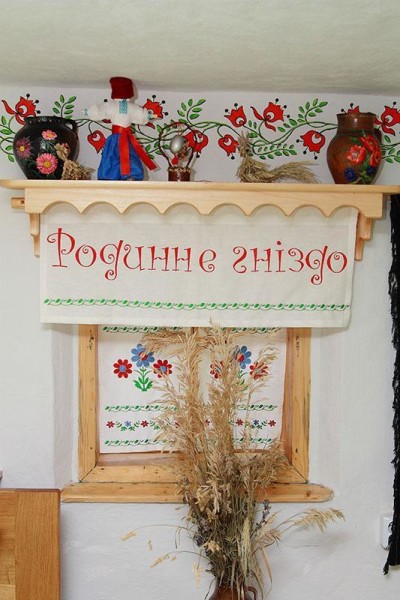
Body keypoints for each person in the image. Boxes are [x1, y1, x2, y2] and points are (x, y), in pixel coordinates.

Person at [86, 77, 158, 180]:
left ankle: (126, 175)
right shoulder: (117, 106)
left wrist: (89, 112)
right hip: (120, 137)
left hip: (124, 137)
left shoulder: (116, 106)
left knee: (123, 156)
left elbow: (100, 111)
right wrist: (148, 115)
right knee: (116, 155)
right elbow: (141, 115)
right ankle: (113, 176)